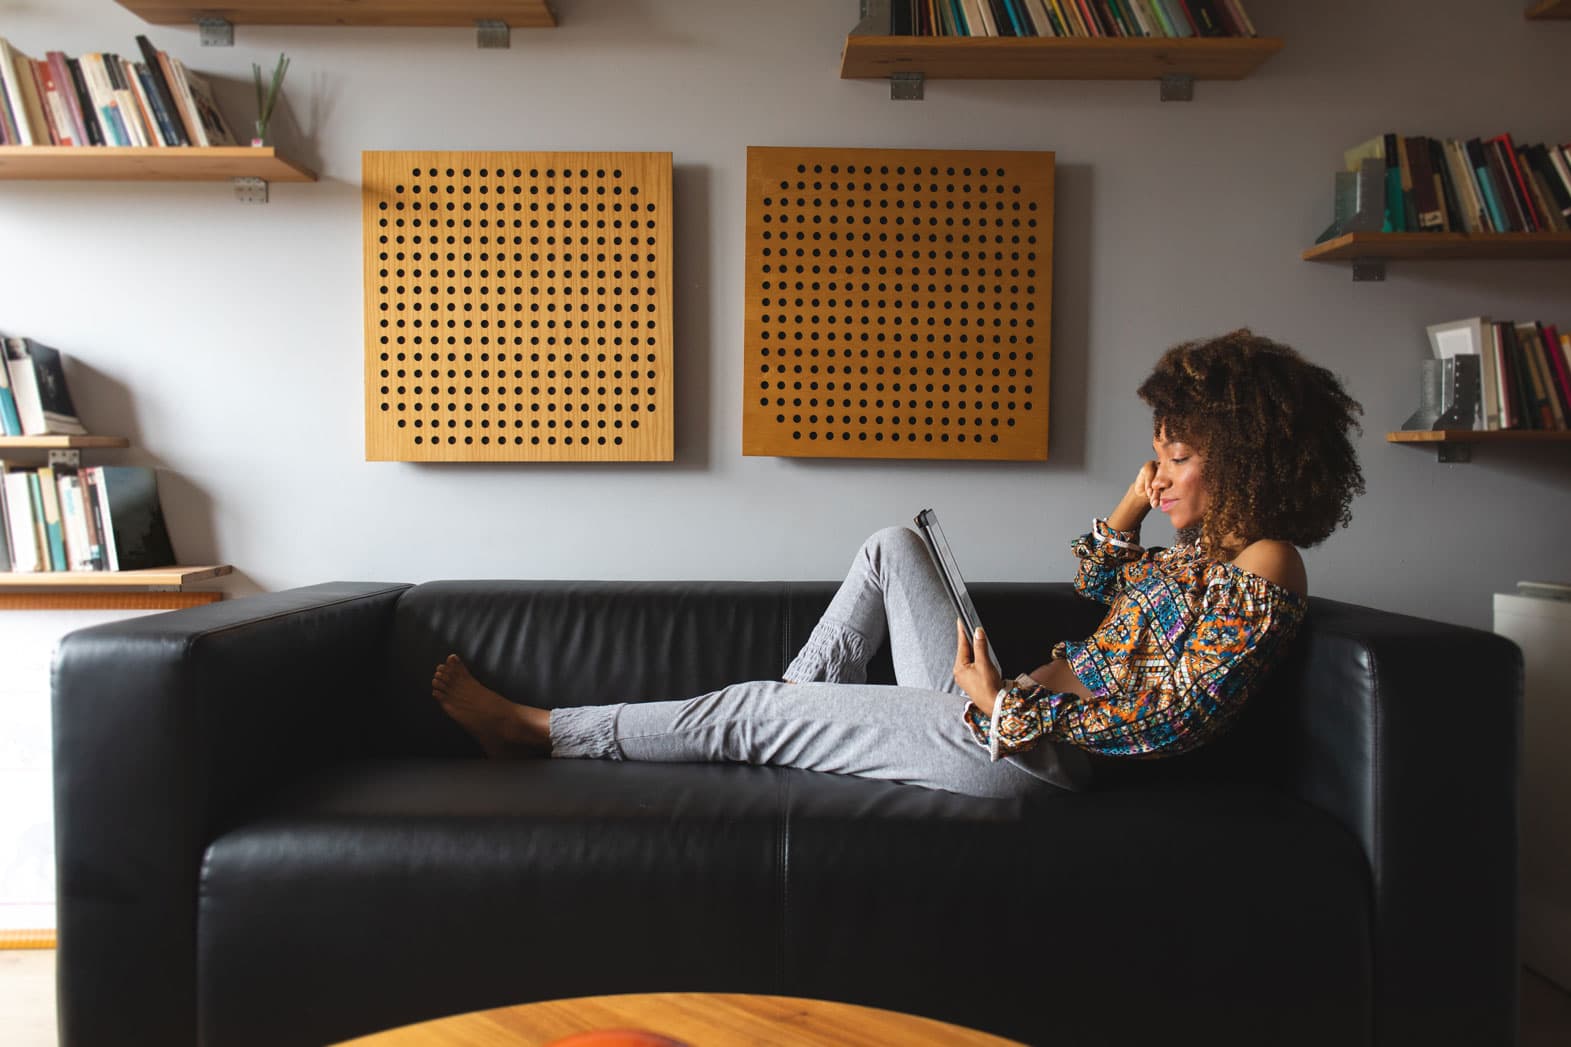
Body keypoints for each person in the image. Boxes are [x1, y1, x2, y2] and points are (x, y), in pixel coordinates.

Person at [430, 329, 1365, 799]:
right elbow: (1095, 581)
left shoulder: (1269, 562)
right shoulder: (1201, 548)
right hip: (1006, 706)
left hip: (1029, 751)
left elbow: (1177, 720)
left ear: (1242, 456)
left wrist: (1007, 705)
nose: (1157, 473)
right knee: (893, 546)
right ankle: (793, 724)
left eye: (1178, 455)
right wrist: (1137, 495)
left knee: (751, 708)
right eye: (1155, 450)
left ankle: (538, 730)